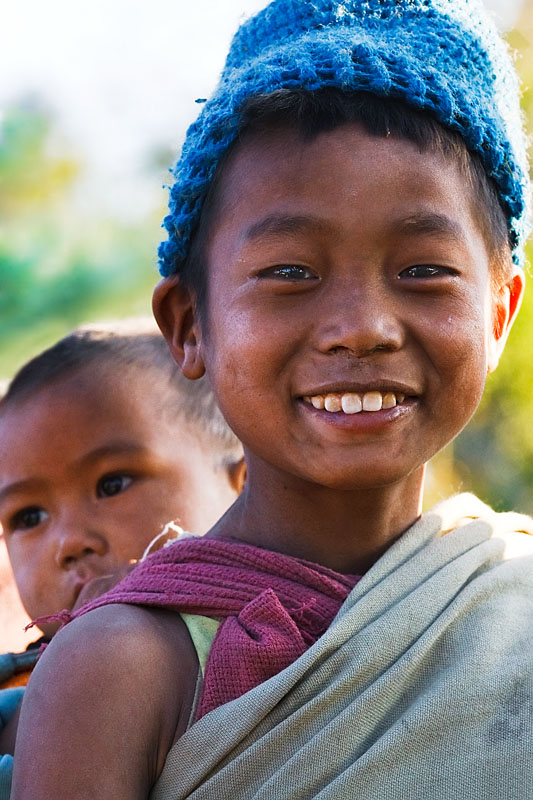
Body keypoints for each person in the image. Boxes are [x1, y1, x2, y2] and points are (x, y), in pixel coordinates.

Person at [11, 1, 533, 798]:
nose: (360, 329)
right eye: (290, 272)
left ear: (497, 312)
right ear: (189, 324)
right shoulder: (123, 667)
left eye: (422, 270)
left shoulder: (511, 600)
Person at [0, 319, 244, 795]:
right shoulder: (19, 685)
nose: (70, 542)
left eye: (112, 485)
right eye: (29, 517)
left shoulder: (283, 650)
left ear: (245, 485)